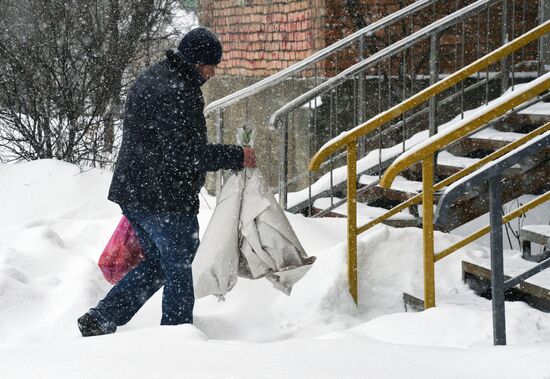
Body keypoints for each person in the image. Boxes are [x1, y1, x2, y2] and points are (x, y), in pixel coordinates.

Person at [77, 27, 256, 337]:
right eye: (211, 65)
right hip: (165, 198)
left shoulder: (154, 76)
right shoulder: (179, 92)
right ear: (198, 62)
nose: (213, 73)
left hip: (135, 190)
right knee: (181, 270)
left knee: (160, 264)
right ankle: (176, 338)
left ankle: (102, 317)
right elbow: (185, 154)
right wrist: (236, 155)